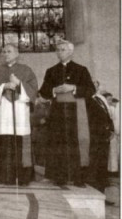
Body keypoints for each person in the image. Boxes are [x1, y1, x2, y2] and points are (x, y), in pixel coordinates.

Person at [37, 40, 96, 187]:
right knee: (59, 143)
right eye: (58, 50)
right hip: (57, 112)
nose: (59, 52)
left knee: (77, 142)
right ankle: (60, 177)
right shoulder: (51, 71)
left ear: (71, 51)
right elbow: (43, 91)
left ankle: (78, 178)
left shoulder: (81, 70)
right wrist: (54, 90)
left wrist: (73, 88)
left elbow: (91, 90)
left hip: (76, 111)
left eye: (63, 49)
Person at [0, 44, 38, 186]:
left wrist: (19, 83)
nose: (5, 54)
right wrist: (4, 86)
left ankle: (22, 177)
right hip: (1, 113)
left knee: (19, 142)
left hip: (19, 112)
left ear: (17, 53)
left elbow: (33, 89)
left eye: (9, 51)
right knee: (3, 142)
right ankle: (2, 177)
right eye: (3, 52)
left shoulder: (26, 70)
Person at [87, 90, 114, 192]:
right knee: (94, 165)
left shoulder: (100, 99)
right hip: (95, 137)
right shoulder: (88, 100)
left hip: (104, 137)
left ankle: (101, 191)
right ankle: (94, 191)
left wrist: (111, 130)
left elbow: (108, 116)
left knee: (102, 165)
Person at [108, 95, 120, 175]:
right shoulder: (114, 108)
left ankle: (114, 170)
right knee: (114, 152)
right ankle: (114, 170)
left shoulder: (116, 108)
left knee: (114, 152)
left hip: (116, 132)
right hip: (116, 132)